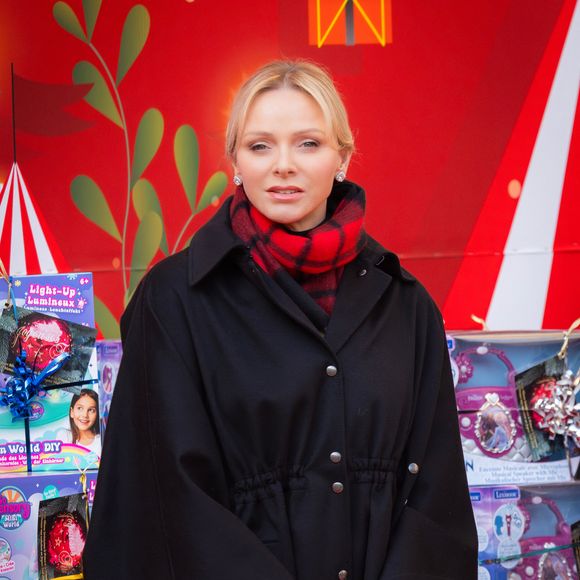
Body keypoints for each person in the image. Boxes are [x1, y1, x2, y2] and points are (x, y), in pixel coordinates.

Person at [84, 60, 477, 579]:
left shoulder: (407, 307)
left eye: (308, 143)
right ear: (236, 163)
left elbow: (437, 491)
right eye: (260, 145)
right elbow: (164, 497)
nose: (283, 165)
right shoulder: (174, 300)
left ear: (343, 157)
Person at [67, 389, 101, 454]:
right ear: (72, 412)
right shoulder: (65, 436)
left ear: (97, 414)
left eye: (91, 410)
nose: (85, 415)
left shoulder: (100, 441)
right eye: (80, 408)